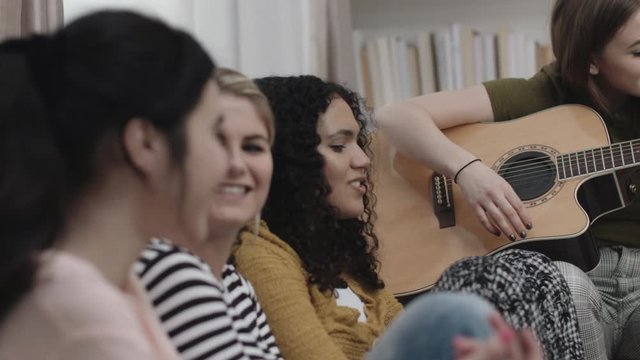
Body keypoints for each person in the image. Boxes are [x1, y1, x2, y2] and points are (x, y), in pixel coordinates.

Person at [232, 75, 581, 359]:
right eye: (339, 146)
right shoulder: (263, 252)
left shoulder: (345, 264)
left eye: (359, 143)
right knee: (474, 284)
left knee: (535, 270)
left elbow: (399, 326)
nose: (363, 161)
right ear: (291, 162)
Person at [375, 0, 640, 358]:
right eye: (638, 52)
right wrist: (468, 171)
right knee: (566, 283)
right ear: (591, 60)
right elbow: (395, 116)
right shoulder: (546, 92)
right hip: (576, 276)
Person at [0, 10, 225, 359]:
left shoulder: (106, 288)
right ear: (145, 144)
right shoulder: (79, 313)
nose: (229, 163)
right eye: (216, 134)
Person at [135, 68, 282, 360]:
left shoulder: (235, 284)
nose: (236, 164)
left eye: (253, 147)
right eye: (214, 142)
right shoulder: (169, 268)